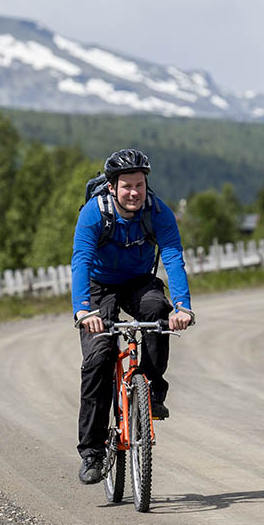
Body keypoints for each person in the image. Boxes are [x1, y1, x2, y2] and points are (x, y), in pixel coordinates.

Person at [72, 148, 195, 485]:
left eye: (139, 185)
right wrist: (84, 311)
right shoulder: (94, 214)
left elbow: (172, 257)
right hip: (99, 285)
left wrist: (182, 307)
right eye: (126, 185)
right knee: (99, 357)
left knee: (159, 312)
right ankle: (93, 452)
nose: (134, 192)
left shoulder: (158, 212)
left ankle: (152, 389)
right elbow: (81, 259)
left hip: (140, 281)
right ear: (112, 187)